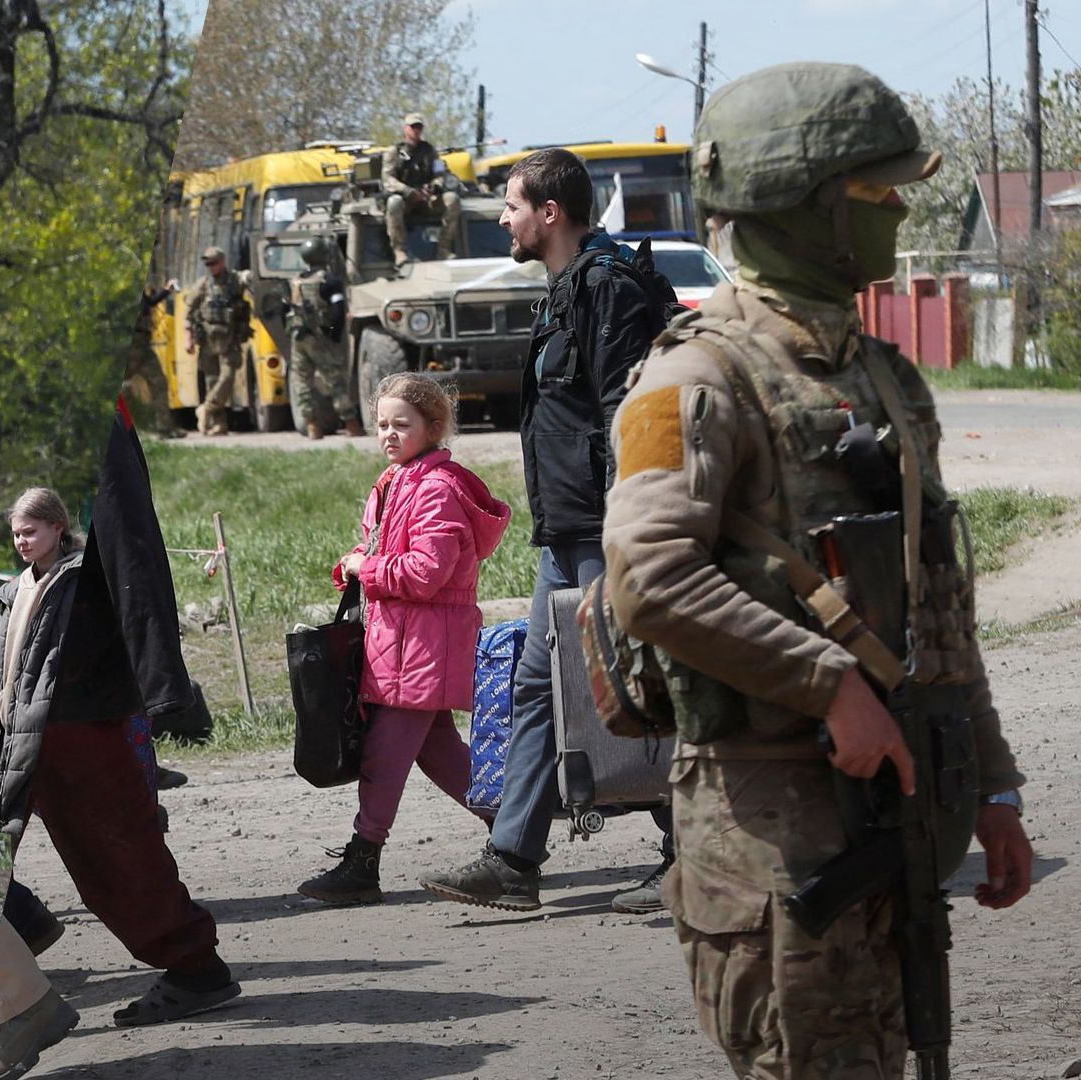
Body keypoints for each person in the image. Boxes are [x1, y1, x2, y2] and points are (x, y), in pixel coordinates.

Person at [603, 62, 1033, 1077]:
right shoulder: (692, 380)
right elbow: (649, 576)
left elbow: (938, 603)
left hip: (900, 806)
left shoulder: (881, 376)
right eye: (874, 194)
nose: (894, 214)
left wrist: (996, 789)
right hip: (770, 836)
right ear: (805, 209)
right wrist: (828, 682)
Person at [420, 147, 675, 915]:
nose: (503, 218)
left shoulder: (608, 289)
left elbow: (626, 417)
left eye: (510, 205)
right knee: (536, 683)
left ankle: (690, 855)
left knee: (635, 684)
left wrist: (629, 523)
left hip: (607, 530)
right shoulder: (564, 290)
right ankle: (512, 863)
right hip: (563, 533)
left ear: (549, 213)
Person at [0, 487, 239, 1078]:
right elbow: (7, 681)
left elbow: (128, 639)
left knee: (117, 860)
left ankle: (195, 966)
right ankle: (21, 961)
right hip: (30, 743)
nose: (21, 541)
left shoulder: (84, 582)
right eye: (15, 532)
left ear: (61, 529)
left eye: (31, 531)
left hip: (83, 737)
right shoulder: (18, 592)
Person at [298, 375, 510, 905]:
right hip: (401, 643)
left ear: (432, 427)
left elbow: (425, 572)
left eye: (402, 424)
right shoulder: (396, 479)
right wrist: (353, 563)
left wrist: (364, 567)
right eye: (382, 424)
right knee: (439, 753)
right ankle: (516, 832)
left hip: (426, 643)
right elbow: (384, 548)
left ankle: (363, 861)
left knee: (383, 756)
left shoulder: (438, 487)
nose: (388, 434)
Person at [287, 236, 362, 439]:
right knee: (336, 381)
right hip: (321, 338)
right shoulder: (329, 281)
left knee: (302, 381)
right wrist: (334, 335)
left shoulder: (295, 282)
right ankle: (351, 424)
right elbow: (338, 311)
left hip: (298, 338)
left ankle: (312, 426)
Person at [183, 246, 252, 437]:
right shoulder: (203, 285)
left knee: (228, 376)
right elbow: (187, 314)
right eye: (207, 264)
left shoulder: (235, 281)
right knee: (212, 381)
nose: (210, 267)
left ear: (222, 262)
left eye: (213, 263)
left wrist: (249, 277)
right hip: (208, 341)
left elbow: (249, 280)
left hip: (230, 339)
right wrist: (188, 339)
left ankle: (206, 408)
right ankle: (219, 424)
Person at [382, 113, 463, 268]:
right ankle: (400, 251)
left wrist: (434, 186)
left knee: (452, 199)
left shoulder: (430, 151)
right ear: (405, 129)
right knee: (394, 202)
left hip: (427, 199)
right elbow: (388, 179)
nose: (416, 130)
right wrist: (409, 191)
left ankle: (443, 249)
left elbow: (440, 172)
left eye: (419, 127)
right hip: (405, 201)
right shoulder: (394, 152)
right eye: (413, 127)